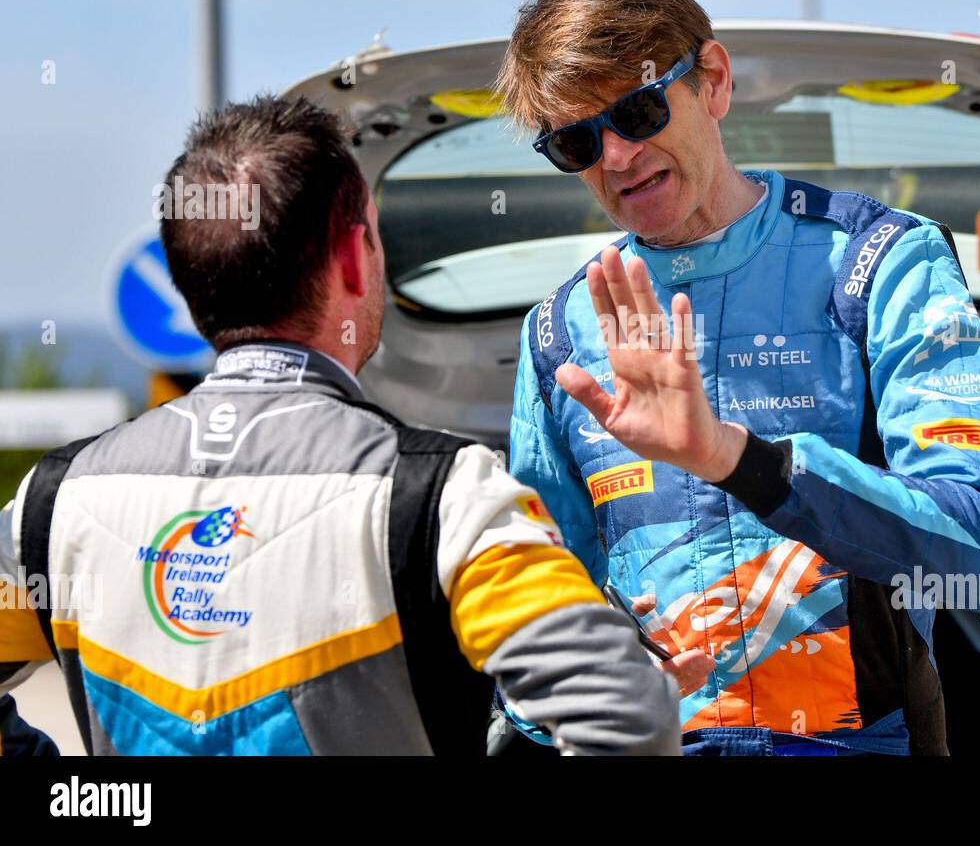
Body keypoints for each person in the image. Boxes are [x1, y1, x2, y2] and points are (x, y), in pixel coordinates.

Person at [0, 96, 682, 756]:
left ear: (187, 274)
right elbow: (625, 711)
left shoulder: (53, 498)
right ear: (356, 257)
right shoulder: (446, 497)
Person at [499, 0, 980, 756]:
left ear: (712, 80)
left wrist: (740, 461)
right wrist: (613, 667)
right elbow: (536, 625)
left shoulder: (882, 264)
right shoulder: (558, 333)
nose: (614, 158)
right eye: (576, 140)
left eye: (637, 112)